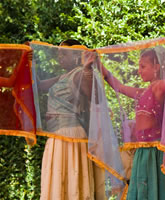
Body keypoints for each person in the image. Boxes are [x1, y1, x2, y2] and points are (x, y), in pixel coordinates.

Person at [86, 36, 165, 199]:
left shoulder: (159, 87)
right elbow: (119, 87)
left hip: (155, 153)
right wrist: (99, 64)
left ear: (156, 67)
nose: (139, 70)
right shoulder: (143, 92)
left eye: (143, 66)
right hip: (142, 152)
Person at [37, 39, 105, 200]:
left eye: (64, 53)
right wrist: (28, 62)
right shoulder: (63, 76)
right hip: (57, 135)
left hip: (70, 135)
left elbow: (95, 97)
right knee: (59, 184)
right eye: (59, 53)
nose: (60, 56)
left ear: (76, 56)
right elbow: (37, 86)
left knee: (71, 184)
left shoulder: (80, 74)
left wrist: (87, 68)